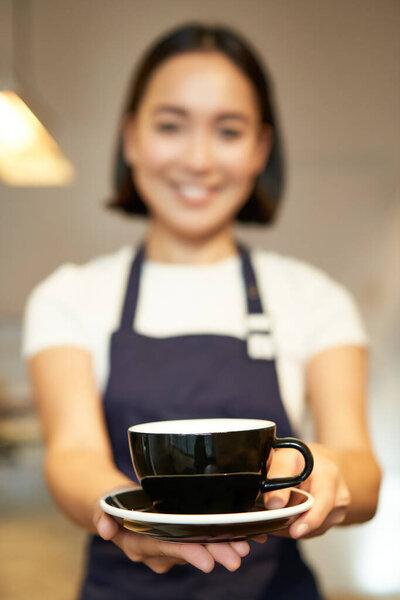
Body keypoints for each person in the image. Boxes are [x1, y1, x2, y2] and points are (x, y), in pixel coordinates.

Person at [22, 22, 381, 600]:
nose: (198, 158)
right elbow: (73, 455)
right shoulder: (69, 296)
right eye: (171, 125)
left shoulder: (315, 297)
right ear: (132, 137)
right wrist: (135, 519)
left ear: (260, 149)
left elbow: (363, 472)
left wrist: (328, 467)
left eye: (229, 131)